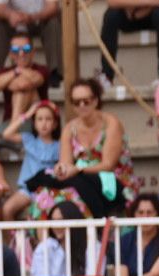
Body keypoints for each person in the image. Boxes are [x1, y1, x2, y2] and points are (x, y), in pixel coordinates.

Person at [26, 78, 134, 219]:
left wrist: (78, 170)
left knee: (74, 199)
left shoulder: (111, 123)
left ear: (95, 100)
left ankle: (92, 236)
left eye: (86, 101)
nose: (82, 105)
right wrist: (61, 169)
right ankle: (46, 241)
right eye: (77, 102)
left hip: (111, 182)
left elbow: (108, 165)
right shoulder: (70, 128)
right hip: (81, 180)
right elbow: (66, 164)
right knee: (45, 196)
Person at [0, 98, 58, 219]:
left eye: (48, 119)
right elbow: (6, 134)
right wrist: (26, 115)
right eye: (39, 119)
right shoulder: (29, 139)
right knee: (7, 208)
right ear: (34, 123)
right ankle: (13, 237)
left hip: (47, 190)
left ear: (55, 124)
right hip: (26, 190)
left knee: (39, 214)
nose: (44, 123)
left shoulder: (59, 146)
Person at [0, 0, 61, 88]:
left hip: (39, 19)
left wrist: (33, 17)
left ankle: (55, 74)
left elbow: (53, 7)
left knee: (53, 22)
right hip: (12, 21)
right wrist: (10, 15)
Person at [101, 0, 159, 85]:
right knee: (111, 15)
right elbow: (112, 2)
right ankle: (107, 76)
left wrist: (137, 12)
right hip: (133, 12)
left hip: (157, 12)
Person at [0, 29, 48, 120]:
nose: (21, 53)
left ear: (33, 52)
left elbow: (23, 85)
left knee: (22, 92)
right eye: (15, 49)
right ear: (10, 54)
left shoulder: (42, 69)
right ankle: (13, 129)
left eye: (26, 49)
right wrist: (16, 71)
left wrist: (7, 82)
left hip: (36, 123)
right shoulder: (5, 70)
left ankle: (13, 129)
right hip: (7, 122)